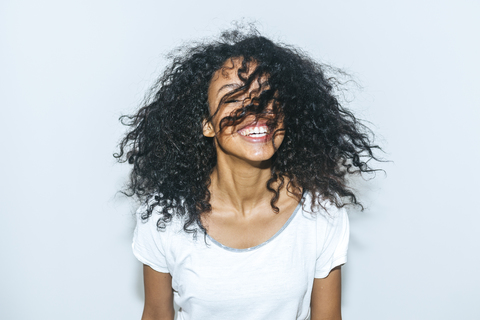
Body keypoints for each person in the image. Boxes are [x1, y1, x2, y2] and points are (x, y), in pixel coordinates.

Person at [116, 26, 379, 320]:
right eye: (232, 98)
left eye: (265, 96)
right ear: (207, 125)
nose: (255, 110)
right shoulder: (163, 217)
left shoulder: (321, 214)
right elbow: (155, 314)